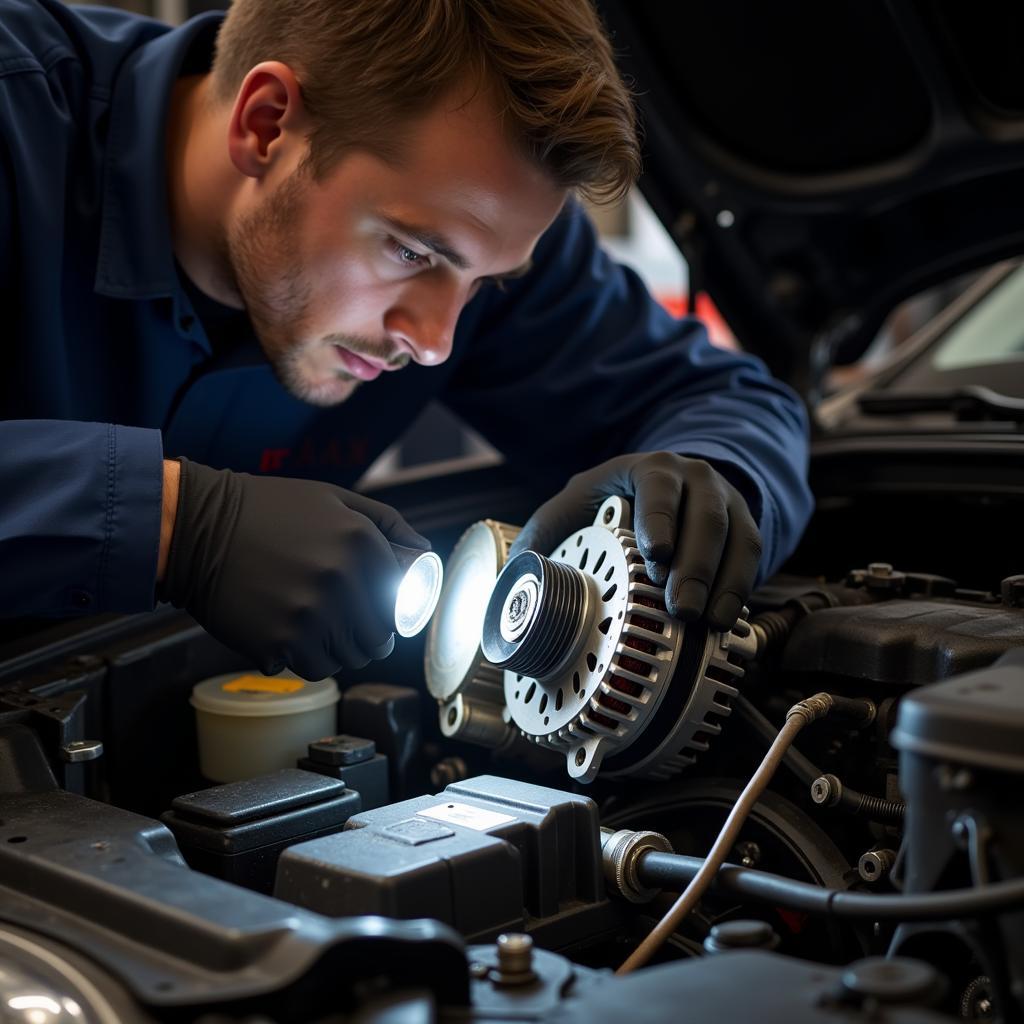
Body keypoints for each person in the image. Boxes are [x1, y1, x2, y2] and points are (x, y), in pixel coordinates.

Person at [0, 0, 813, 681]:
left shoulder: (480, 230)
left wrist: (716, 481)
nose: (434, 342)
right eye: (410, 253)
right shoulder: (18, 116)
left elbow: (724, 398)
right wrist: (179, 523)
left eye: (484, 285)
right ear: (266, 124)